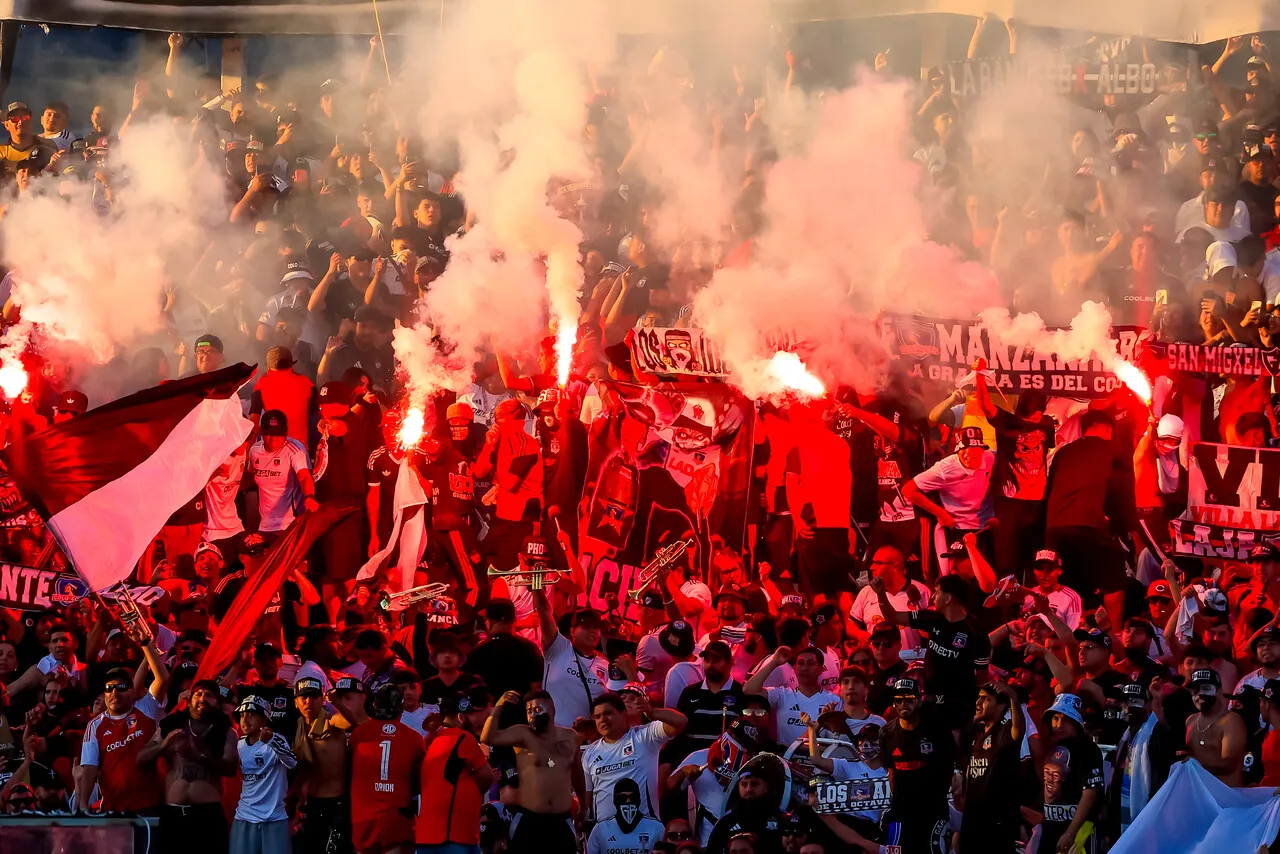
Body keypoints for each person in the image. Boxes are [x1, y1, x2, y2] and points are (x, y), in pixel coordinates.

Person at [872, 573, 991, 733]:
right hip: (930, 701)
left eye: (937, 591)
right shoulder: (932, 618)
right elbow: (893, 617)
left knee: (955, 748)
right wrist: (880, 593)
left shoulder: (976, 632)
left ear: (948, 598)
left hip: (959, 706)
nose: (933, 596)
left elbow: (982, 679)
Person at [75, 633, 171, 813]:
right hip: (115, 810)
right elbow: (89, 768)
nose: (114, 692)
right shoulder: (94, 725)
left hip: (154, 807)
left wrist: (145, 643)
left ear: (132, 691)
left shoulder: (146, 708)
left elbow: (163, 679)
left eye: (120, 687)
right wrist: (83, 804)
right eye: (109, 688)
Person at [141, 679, 238, 854]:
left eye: (209, 695)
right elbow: (141, 759)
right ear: (189, 699)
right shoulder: (171, 727)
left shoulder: (226, 731)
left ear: (217, 703)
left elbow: (230, 768)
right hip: (173, 816)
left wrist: (197, 757)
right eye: (198, 694)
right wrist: (164, 746)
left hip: (208, 817)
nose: (202, 698)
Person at [481, 689, 582, 854]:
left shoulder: (570, 736)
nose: (533, 714)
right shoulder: (523, 733)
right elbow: (487, 737)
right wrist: (498, 707)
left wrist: (584, 807)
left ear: (552, 709)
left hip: (560, 819)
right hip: (529, 819)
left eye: (537, 708)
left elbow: (577, 773)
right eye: (529, 711)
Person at [903, 425, 994, 577]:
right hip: (956, 529)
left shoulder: (991, 458)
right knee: (957, 575)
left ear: (982, 449)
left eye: (974, 448)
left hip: (985, 528)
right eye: (964, 449)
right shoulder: (945, 469)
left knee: (985, 578)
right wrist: (940, 513)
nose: (969, 453)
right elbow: (908, 490)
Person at [878, 677, 955, 854]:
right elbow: (891, 772)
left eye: (909, 699)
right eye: (899, 700)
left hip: (934, 809)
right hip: (902, 810)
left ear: (919, 700)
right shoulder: (886, 733)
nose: (904, 703)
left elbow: (951, 762)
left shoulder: (937, 729)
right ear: (894, 704)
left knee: (935, 850)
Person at [582, 692, 686, 820]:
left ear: (623, 714)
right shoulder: (589, 753)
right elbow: (586, 797)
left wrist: (652, 712)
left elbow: (681, 721)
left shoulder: (644, 736)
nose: (603, 719)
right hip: (605, 833)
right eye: (597, 716)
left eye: (608, 713)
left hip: (645, 831)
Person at [349, 684, 425, 854]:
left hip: (363, 822)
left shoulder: (358, 735)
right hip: (396, 822)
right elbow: (419, 785)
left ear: (374, 705)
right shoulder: (415, 739)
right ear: (402, 707)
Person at [417, 692, 494, 854]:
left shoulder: (433, 740)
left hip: (428, 835)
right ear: (461, 717)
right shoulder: (462, 737)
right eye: (470, 714)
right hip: (452, 835)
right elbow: (487, 776)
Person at [293, 676, 357, 854]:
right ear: (295, 702)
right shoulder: (298, 727)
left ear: (322, 700)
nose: (308, 702)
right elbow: (303, 769)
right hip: (311, 805)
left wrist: (337, 702)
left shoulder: (332, 721)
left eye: (314, 696)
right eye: (303, 697)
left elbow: (352, 721)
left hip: (336, 804)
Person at [957, 681, 1024, 854]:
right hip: (971, 821)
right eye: (978, 698)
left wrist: (1014, 700)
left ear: (1001, 705)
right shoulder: (975, 734)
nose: (978, 703)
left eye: (985, 699)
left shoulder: (1005, 732)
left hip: (996, 825)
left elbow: (1018, 730)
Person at [231, 695, 297, 854]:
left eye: (251, 714)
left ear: (264, 719)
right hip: (244, 817)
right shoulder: (238, 745)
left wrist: (271, 740)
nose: (245, 719)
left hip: (274, 818)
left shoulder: (277, 740)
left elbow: (292, 763)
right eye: (241, 715)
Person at [1040, 693, 1104, 854]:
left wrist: (1070, 833)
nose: (1059, 724)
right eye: (1055, 718)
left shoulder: (1088, 749)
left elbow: (1091, 792)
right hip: (1050, 830)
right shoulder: (1053, 747)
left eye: (1066, 719)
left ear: (1076, 721)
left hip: (1078, 834)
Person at [536, 586, 608, 727]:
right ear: (572, 631)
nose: (593, 630)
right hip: (551, 736)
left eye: (596, 626)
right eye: (586, 626)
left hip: (585, 741)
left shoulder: (606, 665)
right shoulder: (559, 648)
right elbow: (544, 613)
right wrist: (537, 588)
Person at [743, 646, 841, 747]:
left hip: (818, 760)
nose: (805, 668)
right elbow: (748, 690)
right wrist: (774, 662)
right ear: (794, 669)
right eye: (801, 663)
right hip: (784, 759)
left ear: (822, 669)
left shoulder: (834, 701)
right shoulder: (782, 695)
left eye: (810, 663)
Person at [1109, 683, 1175, 834]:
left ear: (1148, 705)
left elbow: (1160, 781)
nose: (1128, 707)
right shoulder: (1125, 734)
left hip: (1148, 819)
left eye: (1135, 701)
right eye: (1125, 702)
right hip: (1119, 814)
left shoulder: (1157, 734)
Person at [249, 410, 319, 536]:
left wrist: (310, 496)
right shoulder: (254, 451)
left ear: (286, 433)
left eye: (277, 434)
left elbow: (304, 477)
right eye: (268, 434)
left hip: (290, 523)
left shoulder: (295, 449)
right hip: (265, 524)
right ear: (261, 433)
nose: (272, 439)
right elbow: (248, 478)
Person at [464, 598, 544, 699]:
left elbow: (469, 687)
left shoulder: (478, 650)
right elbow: (537, 689)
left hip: (488, 712)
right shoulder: (529, 648)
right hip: (521, 712)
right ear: (513, 620)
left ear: (488, 621)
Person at [1185, 667, 1246, 787]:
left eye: (1206, 689)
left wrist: (1193, 763)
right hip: (1199, 795)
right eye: (1195, 691)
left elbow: (1228, 765)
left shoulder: (1231, 721)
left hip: (1227, 797)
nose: (1200, 695)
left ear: (1219, 692)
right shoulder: (1190, 721)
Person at [585, 777, 666, 854]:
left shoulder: (657, 828)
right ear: (615, 800)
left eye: (632, 797)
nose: (628, 801)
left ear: (639, 799)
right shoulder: (600, 829)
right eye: (622, 797)